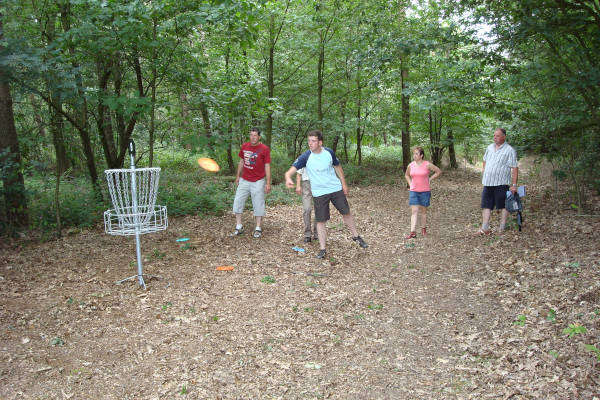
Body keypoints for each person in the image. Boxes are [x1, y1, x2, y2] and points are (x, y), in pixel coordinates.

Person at [284, 130, 368, 259]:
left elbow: (338, 167)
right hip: (319, 193)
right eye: (309, 141)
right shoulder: (306, 156)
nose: (310, 144)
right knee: (321, 220)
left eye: (313, 141)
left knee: (346, 212)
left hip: (335, 188)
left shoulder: (329, 152)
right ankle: (323, 249)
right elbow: (291, 171)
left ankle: (356, 236)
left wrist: (344, 183)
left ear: (320, 142)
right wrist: (288, 177)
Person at [477, 128, 519, 235]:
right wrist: (485, 171)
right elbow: (485, 160)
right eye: (494, 136)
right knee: (486, 204)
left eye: (498, 136)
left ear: (504, 136)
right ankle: (485, 227)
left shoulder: (509, 150)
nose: (495, 138)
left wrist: (514, 185)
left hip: (501, 182)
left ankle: (502, 227)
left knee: (503, 205)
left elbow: (514, 168)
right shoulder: (489, 147)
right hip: (488, 182)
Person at [232, 127, 271, 238]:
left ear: (259, 137)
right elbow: (242, 161)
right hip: (244, 179)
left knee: (258, 204)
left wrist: (268, 182)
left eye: (255, 135)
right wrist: (238, 176)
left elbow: (267, 165)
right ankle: (239, 226)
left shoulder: (264, 149)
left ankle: (258, 227)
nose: (253, 137)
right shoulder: (245, 146)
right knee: (238, 201)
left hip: (258, 180)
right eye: (251, 135)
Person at [403, 146, 441, 239]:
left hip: (424, 191)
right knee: (414, 211)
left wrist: (430, 179)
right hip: (414, 191)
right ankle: (413, 232)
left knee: (423, 211)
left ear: (421, 155)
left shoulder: (427, 164)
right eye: (414, 154)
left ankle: (423, 229)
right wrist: (410, 184)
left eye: (416, 154)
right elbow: (406, 175)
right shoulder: (410, 165)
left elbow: (438, 171)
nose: (414, 156)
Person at [295, 168, 317, 243]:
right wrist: (298, 186)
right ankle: (308, 234)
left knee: (319, 209)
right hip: (306, 183)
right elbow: (298, 173)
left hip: (319, 183)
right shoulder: (304, 157)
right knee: (307, 209)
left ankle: (317, 233)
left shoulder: (321, 156)